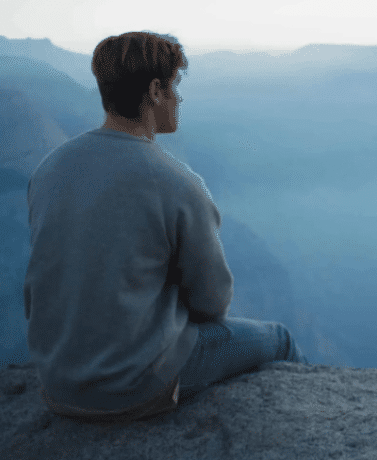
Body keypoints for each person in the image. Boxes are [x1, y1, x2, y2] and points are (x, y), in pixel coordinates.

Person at [24, 30, 308, 422]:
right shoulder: (175, 183)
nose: (179, 97)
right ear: (156, 91)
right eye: (175, 85)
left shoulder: (48, 170)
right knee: (280, 338)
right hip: (134, 388)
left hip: (57, 385)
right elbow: (212, 303)